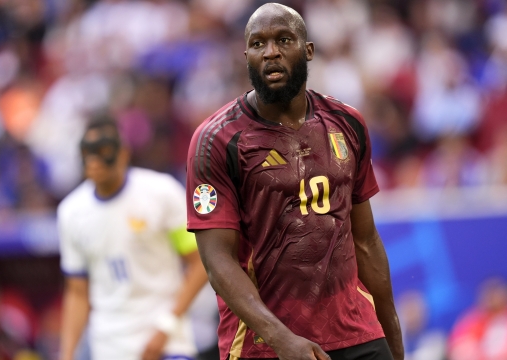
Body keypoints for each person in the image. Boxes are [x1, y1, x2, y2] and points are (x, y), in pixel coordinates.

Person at [185, 3, 403, 360]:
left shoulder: (347, 123)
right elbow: (217, 261)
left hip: (356, 331)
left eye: (283, 40)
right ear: (246, 56)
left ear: (308, 51)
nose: (270, 52)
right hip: (264, 346)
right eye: (258, 44)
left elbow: (365, 241)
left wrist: (391, 333)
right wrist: (280, 339)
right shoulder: (216, 141)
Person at [58, 115, 208, 360]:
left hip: (168, 342)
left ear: (123, 152)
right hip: (110, 347)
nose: (94, 161)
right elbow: (77, 292)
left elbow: (199, 261)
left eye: (104, 151)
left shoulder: (161, 193)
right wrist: (66, 354)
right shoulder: (70, 212)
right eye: (88, 152)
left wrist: (167, 326)